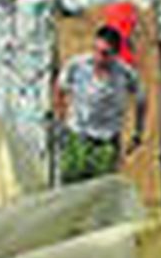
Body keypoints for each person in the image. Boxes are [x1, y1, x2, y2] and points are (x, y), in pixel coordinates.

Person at [53, 25, 144, 184]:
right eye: (96, 50)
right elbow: (60, 89)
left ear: (115, 54)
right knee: (72, 187)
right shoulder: (77, 66)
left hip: (106, 142)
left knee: (102, 190)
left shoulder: (125, 74)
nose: (99, 58)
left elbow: (142, 99)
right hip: (78, 136)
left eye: (105, 53)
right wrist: (61, 121)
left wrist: (138, 131)